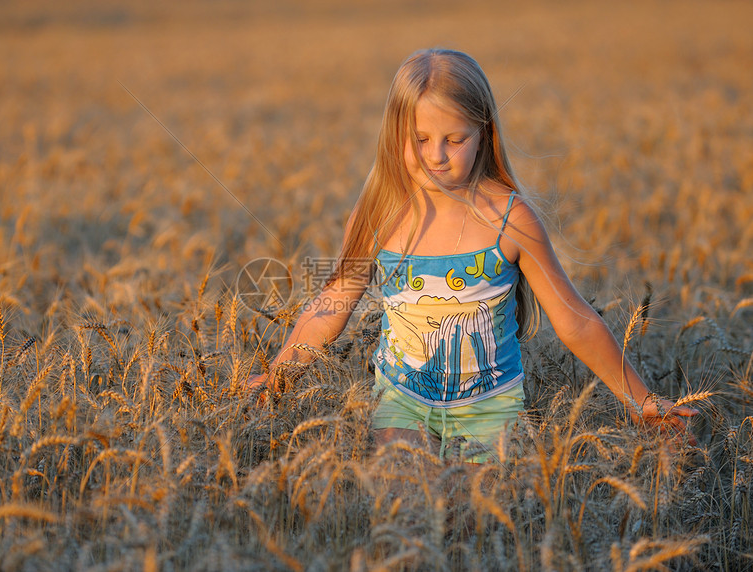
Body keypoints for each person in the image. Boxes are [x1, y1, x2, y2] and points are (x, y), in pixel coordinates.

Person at [246, 48, 697, 461]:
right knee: (406, 496)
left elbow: (575, 320)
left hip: (492, 406)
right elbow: (333, 302)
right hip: (401, 402)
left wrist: (641, 400)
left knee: (475, 515)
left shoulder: (510, 218)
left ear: (484, 133)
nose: (436, 156)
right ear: (394, 134)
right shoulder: (378, 212)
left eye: (454, 139)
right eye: (419, 139)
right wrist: (280, 373)